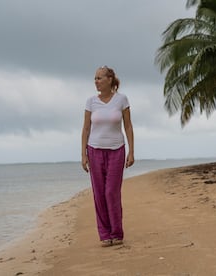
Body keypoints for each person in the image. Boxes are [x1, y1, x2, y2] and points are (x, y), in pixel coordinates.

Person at [81, 65, 134, 247]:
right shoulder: (90, 102)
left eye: (99, 78)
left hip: (116, 150)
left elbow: (128, 126)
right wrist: (83, 154)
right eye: (95, 78)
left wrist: (131, 152)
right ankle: (105, 235)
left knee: (111, 192)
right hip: (94, 150)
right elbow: (86, 128)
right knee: (99, 194)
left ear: (109, 79)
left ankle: (116, 232)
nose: (96, 82)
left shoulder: (122, 100)